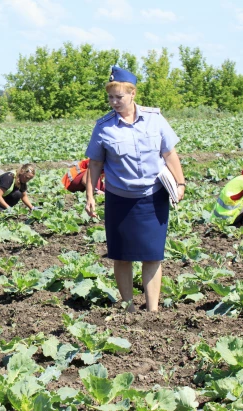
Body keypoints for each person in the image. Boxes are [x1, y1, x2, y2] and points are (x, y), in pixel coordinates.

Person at [84, 66, 185, 313]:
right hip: (120, 198)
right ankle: (128, 309)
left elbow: (169, 153)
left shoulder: (155, 119)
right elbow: (95, 163)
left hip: (153, 197)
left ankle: (152, 311)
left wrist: (180, 183)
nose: (114, 102)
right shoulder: (104, 126)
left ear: (132, 94)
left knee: (152, 255)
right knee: (122, 255)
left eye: (119, 97)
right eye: (110, 97)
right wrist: (90, 195)